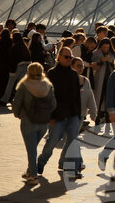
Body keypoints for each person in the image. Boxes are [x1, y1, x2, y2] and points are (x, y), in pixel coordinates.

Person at [36, 46, 82, 177]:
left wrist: (78, 114)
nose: (69, 59)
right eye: (66, 57)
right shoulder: (52, 74)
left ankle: (72, 168)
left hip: (72, 114)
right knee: (52, 141)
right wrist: (50, 116)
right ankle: (41, 161)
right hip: (57, 115)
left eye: (70, 57)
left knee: (73, 142)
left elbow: (77, 96)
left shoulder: (73, 74)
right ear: (59, 57)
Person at [12, 62, 56, 184]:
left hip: (28, 120)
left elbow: (16, 103)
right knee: (33, 148)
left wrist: (18, 114)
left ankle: (33, 175)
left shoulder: (24, 85)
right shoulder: (48, 85)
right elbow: (53, 104)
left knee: (31, 149)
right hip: (43, 122)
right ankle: (29, 171)